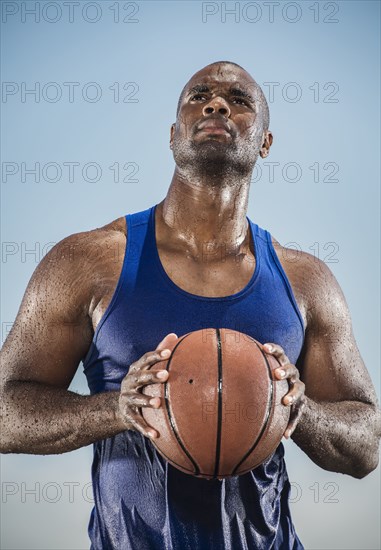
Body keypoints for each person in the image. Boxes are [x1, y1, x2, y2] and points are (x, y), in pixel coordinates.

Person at [1, 60, 380, 550]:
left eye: (239, 100)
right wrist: (119, 410)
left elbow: (367, 444)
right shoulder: (88, 262)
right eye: (199, 95)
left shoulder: (307, 282)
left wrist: (294, 409)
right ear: (174, 134)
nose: (217, 103)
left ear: (265, 143)